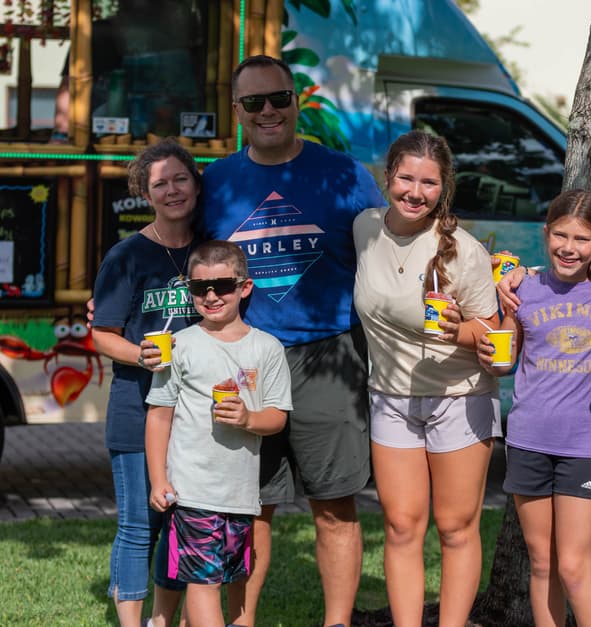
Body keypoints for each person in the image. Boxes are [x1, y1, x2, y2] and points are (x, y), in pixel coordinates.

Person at [197, 55, 385, 627]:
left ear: (296, 99)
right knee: (250, 508)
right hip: (245, 357)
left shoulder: (347, 176)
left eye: (278, 97)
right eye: (254, 102)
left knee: (334, 506)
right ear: (237, 112)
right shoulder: (217, 182)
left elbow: (389, 258)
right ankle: (242, 621)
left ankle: (336, 622)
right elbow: (186, 260)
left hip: (329, 355)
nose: (268, 111)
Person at [352, 130, 501, 627]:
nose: (416, 192)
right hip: (389, 398)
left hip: (458, 398)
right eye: (406, 178)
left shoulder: (464, 251)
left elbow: (493, 336)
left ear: (445, 187)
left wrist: (458, 331)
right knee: (400, 526)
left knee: (456, 527)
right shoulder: (364, 228)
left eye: (429, 183)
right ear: (388, 176)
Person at [477, 189, 591, 627]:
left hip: (584, 445)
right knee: (541, 563)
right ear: (545, 233)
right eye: (560, 235)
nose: (569, 248)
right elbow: (505, 361)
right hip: (529, 439)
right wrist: (494, 328)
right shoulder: (523, 289)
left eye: (581, 239)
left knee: (573, 567)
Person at [145, 240, 292, 626]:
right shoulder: (179, 346)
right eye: (199, 288)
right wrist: (158, 479)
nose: (211, 296)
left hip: (240, 494)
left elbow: (277, 417)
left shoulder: (268, 348)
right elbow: (159, 415)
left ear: (244, 288)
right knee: (203, 582)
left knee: (229, 575)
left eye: (222, 286)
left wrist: (246, 418)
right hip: (192, 490)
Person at [91, 138, 202, 627]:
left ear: (196, 184)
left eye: (181, 179)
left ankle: (162, 620)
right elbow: (101, 334)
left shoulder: (212, 251)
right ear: (146, 193)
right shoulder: (126, 256)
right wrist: (143, 354)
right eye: (161, 184)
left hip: (197, 415)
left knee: (179, 523)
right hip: (137, 408)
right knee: (140, 525)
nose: (172, 190)